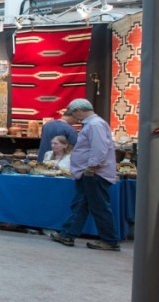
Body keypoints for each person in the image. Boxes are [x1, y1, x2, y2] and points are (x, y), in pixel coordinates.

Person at [48, 99, 120, 251]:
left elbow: (99, 148)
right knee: (81, 204)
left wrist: (92, 167)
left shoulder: (94, 125)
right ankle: (68, 234)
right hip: (90, 172)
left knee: (99, 207)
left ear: (79, 110)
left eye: (73, 113)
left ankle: (110, 240)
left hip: (94, 173)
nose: (74, 116)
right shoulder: (94, 124)